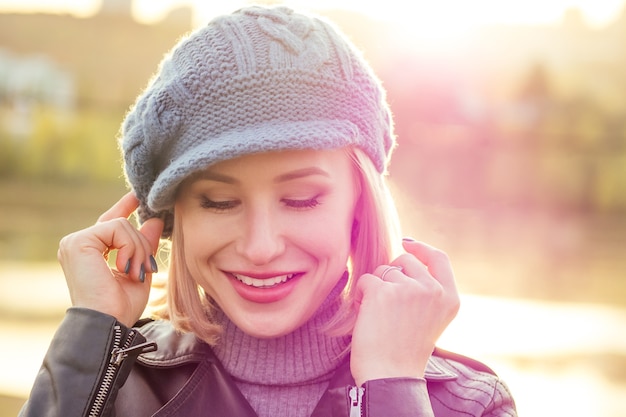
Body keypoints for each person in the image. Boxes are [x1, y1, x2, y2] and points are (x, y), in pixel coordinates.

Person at [20, 5, 516, 417]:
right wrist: (90, 335)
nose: (260, 247)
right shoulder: (108, 385)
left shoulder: (467, 404)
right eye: (218, 201)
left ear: (359, 207)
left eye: (301, 199)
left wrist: (392, 388)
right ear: (174, 222)